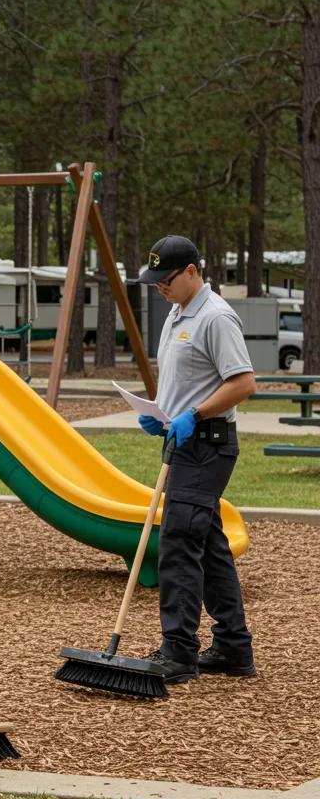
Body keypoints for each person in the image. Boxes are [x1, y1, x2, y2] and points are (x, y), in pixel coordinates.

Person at [131, 235, 257, 683]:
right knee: (208, 544)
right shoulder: (176, 314)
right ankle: (233, 646)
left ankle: (179, 650)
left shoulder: (217, 317)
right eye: (154, 282)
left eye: (165, 280)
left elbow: (243, 383)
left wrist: (194, 414)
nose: (159, 288)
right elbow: (187, 379)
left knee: (180, 542)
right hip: (183, 440)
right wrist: (160, 412)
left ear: (191, 272)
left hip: (209, 444)